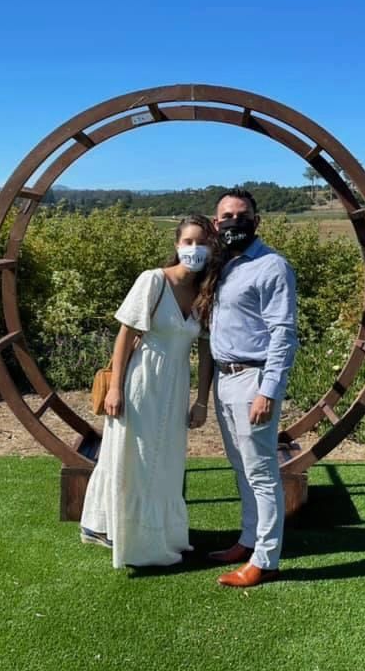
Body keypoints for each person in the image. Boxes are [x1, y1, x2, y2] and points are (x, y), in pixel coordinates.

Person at [80, 215, 218, 568]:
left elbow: (205, 351)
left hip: (175, 386)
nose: (194, 249)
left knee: (167, 461)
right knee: (133, 457)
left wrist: (202, 400)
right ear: (176, 245)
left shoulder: (206, 290)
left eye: (201, 242)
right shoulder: (153, 280)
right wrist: (115, 389)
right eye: (188, 241)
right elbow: (125, 335)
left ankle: (160, 534)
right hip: (142, 381)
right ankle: (111, 529)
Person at [207, 188, 298, 587]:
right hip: (224, 380)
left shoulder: (271, 266)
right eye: (226, 216)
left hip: (253, 380)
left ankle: (267, 559)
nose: (233, 222)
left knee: (262, 473)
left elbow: (283, 333)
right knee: (241, 467)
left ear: (256, 221)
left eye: (242, 215)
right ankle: (247, 540)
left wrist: (269, 390)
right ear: (216, 223)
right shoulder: (223, 265)